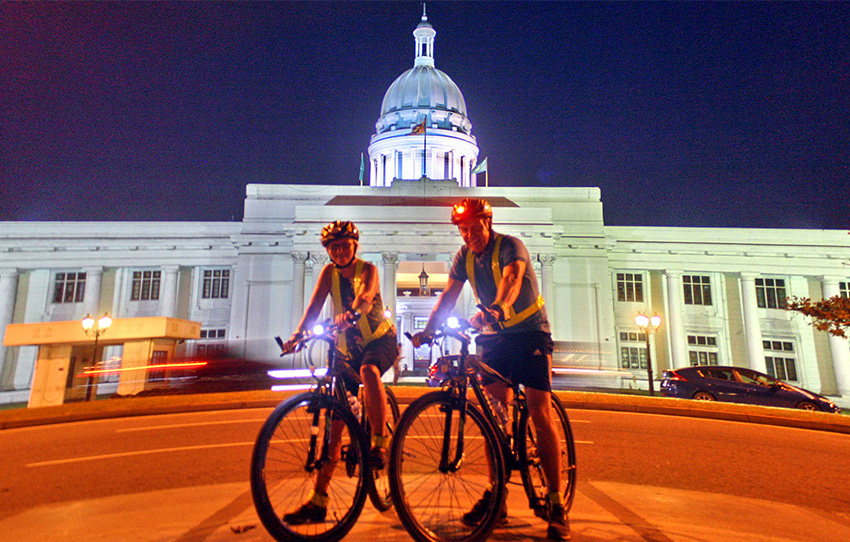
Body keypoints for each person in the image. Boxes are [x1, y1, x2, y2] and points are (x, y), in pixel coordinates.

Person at [411, 198, 570, 541]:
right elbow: (448, 296)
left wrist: (496, 309)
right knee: (494, 417)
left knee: (540, 412)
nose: (469, 235)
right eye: (463, 230)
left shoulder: (510, 246)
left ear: (488, 221)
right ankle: (497, 495)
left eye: (474, 227)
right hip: (495, 339)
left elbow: (512, 281)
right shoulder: (463, 257)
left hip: (530, 334)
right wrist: (428, 329)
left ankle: (556, 503)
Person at [280, 220, 397, 524]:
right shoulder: (327, 273)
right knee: (333, 428)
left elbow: (366, 295)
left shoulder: (368, 269)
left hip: (379, 341)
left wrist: (353, 312)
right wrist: (297, 335)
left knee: (369, 371)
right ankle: (318, 501)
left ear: (354, 246)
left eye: (346, 245)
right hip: (347, 350)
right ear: (328, 250)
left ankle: (380, 444)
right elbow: (314, 306)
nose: (341, 250)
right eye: (334, 246)